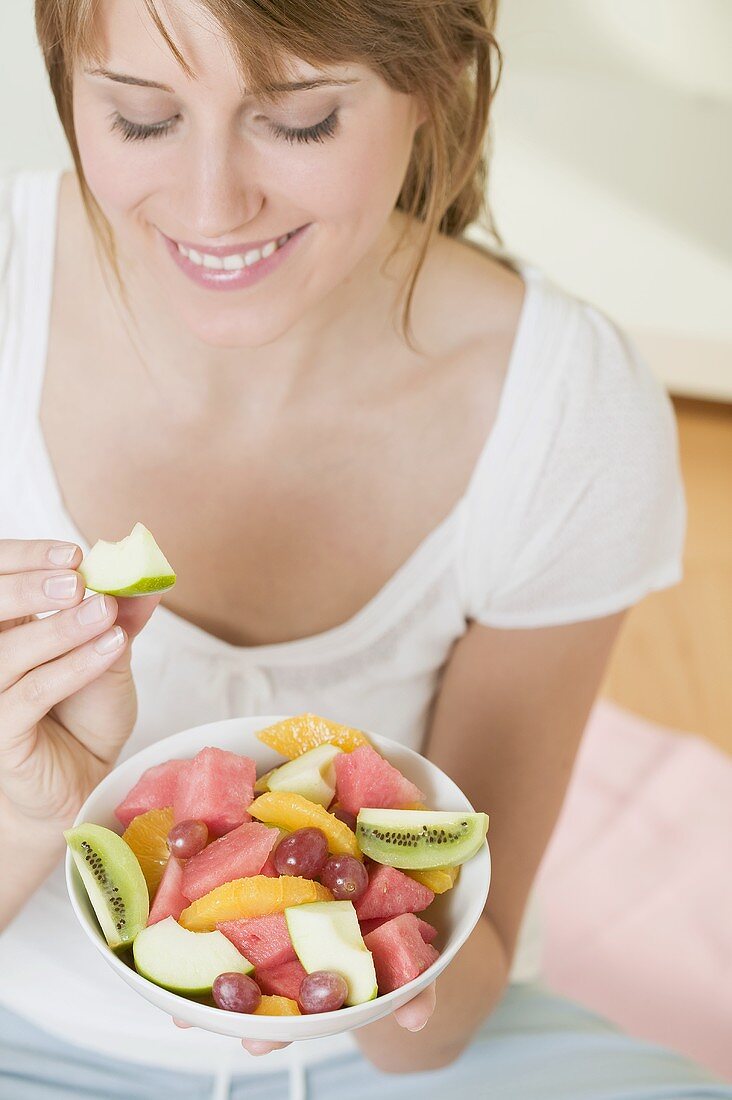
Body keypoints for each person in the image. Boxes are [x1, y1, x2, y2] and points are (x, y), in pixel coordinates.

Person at [1, 1, 729, 1098]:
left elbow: (442, 1014)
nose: (212, 204)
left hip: (371, 1063)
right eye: (142, 119)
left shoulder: (562, 404)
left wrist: (378, 971)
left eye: (298, 122)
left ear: (433, 82)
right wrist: (28, 807)